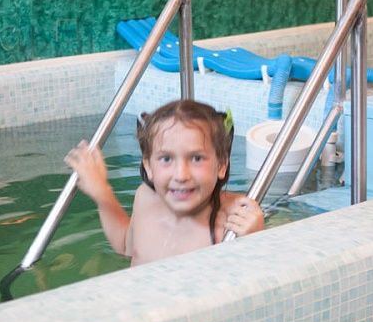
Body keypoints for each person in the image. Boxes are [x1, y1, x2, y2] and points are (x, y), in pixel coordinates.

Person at [65, 99, 265, 266]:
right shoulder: (145, 198)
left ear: (221, 165)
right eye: (166, 159)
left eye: (196, 158)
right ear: (149, 167)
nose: (181, 175)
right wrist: (102, 192)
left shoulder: (234, 221)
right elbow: (127, 247)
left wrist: (255, 240)